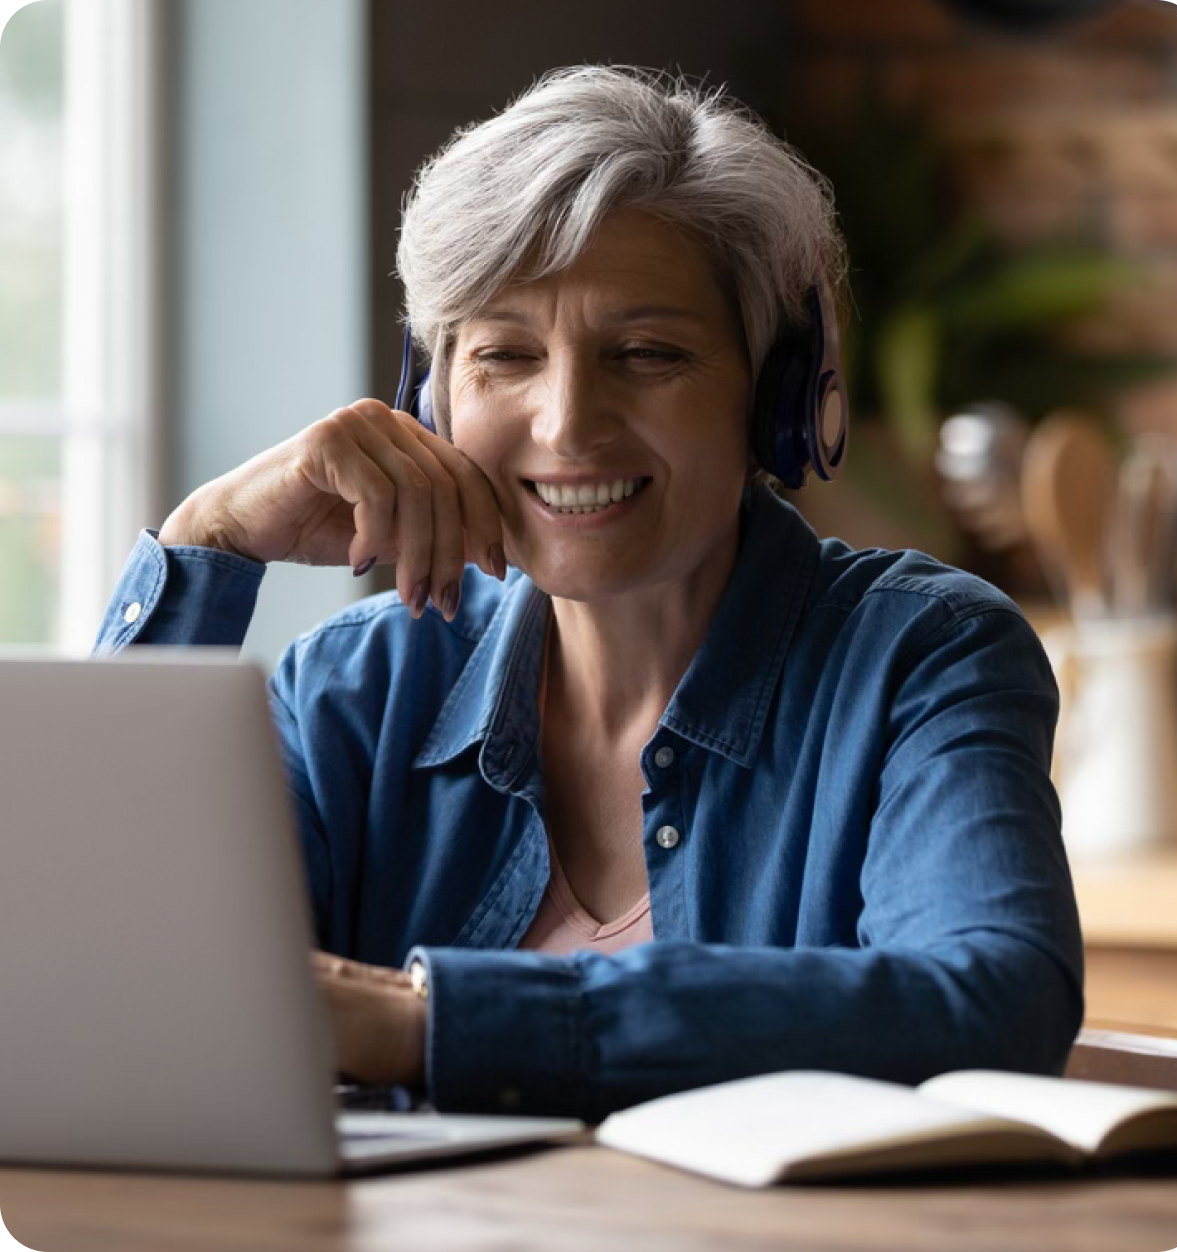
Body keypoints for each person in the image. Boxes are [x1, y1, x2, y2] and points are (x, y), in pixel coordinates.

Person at [94, 65, 1083, 1121]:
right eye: (504, 354)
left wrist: (433, 1023)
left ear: (777, 399)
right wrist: (208, 547)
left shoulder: (922, 652)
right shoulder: (357, 687)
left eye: (647, 353)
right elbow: (95, 977)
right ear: (428, 402)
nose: (567, 423)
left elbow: (990, 998)